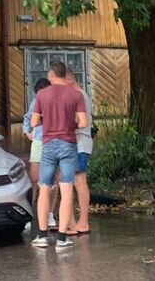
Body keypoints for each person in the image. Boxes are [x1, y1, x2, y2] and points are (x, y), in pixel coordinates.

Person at [30, 61, 87, 250]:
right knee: (66, 188)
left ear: (52, 75)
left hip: (48, 145)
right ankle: (62, 238)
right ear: (65, 75)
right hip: (68, 144)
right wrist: (71, 123)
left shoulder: (41, 95)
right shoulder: (76, 94)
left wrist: (47, 122)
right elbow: (83, 122)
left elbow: (33, 122)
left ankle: (42, 235)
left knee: (44, 187)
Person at [22, 77, 57, 230]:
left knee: (53, 180)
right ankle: (28, 215)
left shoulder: (57, 102)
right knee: (34, 178)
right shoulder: (35, 102)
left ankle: (50, 214)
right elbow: (28, 118)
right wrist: (26, 131)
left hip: (54, 142)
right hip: (38, 141)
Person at [66, 70, 93, 235]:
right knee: (68, 180)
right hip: (74, 142)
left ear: (69, 79)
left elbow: (79, 121)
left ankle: (82, 222)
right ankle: (71, 222)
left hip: (79, 142)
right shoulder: (76, 94)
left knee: (78, 180)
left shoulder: (78, 95)